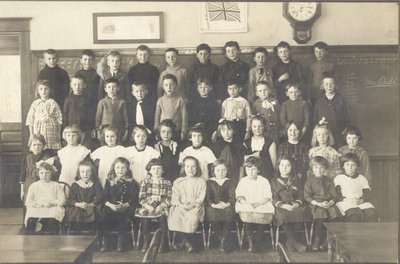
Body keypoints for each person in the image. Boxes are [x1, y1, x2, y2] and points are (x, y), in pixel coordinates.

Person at [271, 156, 312, 253]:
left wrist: (297, 203)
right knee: (284, 215)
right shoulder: (274, 182)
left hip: (294, 205)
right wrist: (284, 205)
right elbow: (273, 197)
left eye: (288, 165)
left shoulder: (296, 180)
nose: (284, 168)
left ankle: (289, 242)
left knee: (302, 213)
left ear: (292, 167)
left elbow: (301, 195)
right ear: (278, 167)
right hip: (281, 207)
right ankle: (295, 243)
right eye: (282, 165)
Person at [235, 156, 274, 253]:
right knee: (247, 214)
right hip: (247, 203)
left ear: (258, 170)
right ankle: (250, 242)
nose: (250, 172)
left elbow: (268, 196)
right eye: (248, 169)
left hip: (261, 203)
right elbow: (239, 196)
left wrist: (259, 203)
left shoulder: (264, 181)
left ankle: (259, 239)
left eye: (253, 169)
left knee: (263, 214)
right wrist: (247, 203)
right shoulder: (243, 181)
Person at [168, 156, 207, 253]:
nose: (190, 169)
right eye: (188, 166)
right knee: (176, 216)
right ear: (183, 168)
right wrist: (181, 204)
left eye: (193, 167)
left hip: (195, 206)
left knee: (192, 217)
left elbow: (201, 197)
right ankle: (187, 243)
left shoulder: (201, 181)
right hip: (181, 206)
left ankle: (183, 243)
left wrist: (194, 204)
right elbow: (175, 197)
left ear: (197, 168)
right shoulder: (178, 181)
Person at [101, 157, 139, 252]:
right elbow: (105, 197)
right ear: (113, 168)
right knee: (104, 214)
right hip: (111, 206)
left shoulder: (132, 182)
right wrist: (111, 205)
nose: (120, 170)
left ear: (127, 169)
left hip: (126, 206)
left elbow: (134, 198)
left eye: (123, 168)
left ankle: (121, 241)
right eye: (118, 167)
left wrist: (125, 205)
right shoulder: (109, 181)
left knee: (123, 216)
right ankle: (106, 241)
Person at [304, 156, 341, 251]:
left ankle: (327, 241)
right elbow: (307, 196)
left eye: (321, 167)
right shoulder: (309, 180)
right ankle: (317, 240)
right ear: (312, 168)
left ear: (325, 168)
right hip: (315, 204)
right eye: (316, 167)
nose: (318, 170)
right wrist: (318, 203)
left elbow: (334, 195)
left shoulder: (328, 180)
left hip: (328, 203)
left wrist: (331, 202)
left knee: (334, 212)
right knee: (321, 214)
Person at [136, 158, 172, 253]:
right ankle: (146, 241)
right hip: (148, 206)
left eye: (159, 168)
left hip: (161, 206)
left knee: (162, 218)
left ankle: (162, 242)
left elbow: (169, 197)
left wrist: (163, 205)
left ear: (163, 170)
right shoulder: (145, 182)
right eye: (154, 168)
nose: (156, 171)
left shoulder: (167, 183)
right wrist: (148, 206)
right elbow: (142, 197)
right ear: (149, 170)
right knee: (145, 218)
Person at [24, 161, 66, 235]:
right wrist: (38, 204)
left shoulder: (56, 185)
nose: (44, 175)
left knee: (52, 219)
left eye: (47, 173)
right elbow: (28, 202)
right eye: (42, 173)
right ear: (38, 173)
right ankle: (30, 240)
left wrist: (52, 203)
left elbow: (62, 200)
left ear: (51, 174)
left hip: (52, 207)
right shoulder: (34, 186)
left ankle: (50, 240)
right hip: (37, 207)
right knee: (31, 218)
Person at [334, 153, 377, 222]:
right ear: (343, 166)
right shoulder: (339, 178)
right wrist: (345, 199)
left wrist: (362, 200)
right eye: (347, 164)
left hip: (360, 202)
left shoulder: (362, 178)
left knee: (371, 214)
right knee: (354, 216)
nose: (350, 167)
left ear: (357, 166)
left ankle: (369, 232)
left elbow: (368, 193)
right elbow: (336, 194)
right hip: (345, 202)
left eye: (353, 165)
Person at [205, 160, 236, 252]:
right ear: (213, 170)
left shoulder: (230, 182)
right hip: (213, 206)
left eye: (223, 170)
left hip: (227, 205)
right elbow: (207, 198)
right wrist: (214, 205)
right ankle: (223, 241)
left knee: (229, 215)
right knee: (213, 217)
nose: (220, 173)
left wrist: (227, 204)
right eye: (218, 170)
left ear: (227, 171)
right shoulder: (209, 182)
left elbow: (232, 197)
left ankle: (222, 242)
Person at [313, 70, 349, 147]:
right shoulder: (319, 100)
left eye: (331, 84)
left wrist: (343, 130)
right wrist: (319, 123)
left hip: (338, 133)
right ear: (322, 86)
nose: (329, 86)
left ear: (335, 85)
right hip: (324, 135)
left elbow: (346, 117)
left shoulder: (340, 99)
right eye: (326, 84)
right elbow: (315, 118)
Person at [26, 80, 63, 154]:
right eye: (41, 89)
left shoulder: (53, 103)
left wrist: (58, 133)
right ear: (38, 91)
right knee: (39, 147)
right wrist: (31, 134)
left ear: (50, 90)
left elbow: (59, 119)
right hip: (38, 130)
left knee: (50, 151)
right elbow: (30, 120)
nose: (44, 91)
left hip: (51, 131)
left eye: (46, 89)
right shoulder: (35, 103)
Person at [64, 161, 102, 232]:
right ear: (79, 173)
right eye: (82, 172)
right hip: (78, 207)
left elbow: (99, 197)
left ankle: (91, 234)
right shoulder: (75, 185)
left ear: (92, 172)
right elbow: (70, 199)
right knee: (74, 212)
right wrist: (78, 204)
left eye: (88, 171)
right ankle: (77, 232)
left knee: (94, 211)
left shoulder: (95, 184)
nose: (85, 174)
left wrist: (90, 204)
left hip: (91, 206)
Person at [75, 49, 101, 144]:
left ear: (93, 61)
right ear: (81, 60)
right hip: (80, 103)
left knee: (89, 135)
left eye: (90, 60)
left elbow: (100, 90)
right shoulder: (78, 74)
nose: (87, 62)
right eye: (85, 59)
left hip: (92, 104)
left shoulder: (97, 75)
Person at [20, 134, 54, 205]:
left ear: (43, 146)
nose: (37, 147)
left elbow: (51, 174)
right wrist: (22, 191)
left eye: (39, 145)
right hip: (29, 186)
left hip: (43, 187)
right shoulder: (27, 158)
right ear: (30, 146)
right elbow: (22, 176)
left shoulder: (47, 158)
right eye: (34, 145)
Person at [154, 74, 188, 142]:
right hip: (163, 132)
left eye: (171, 85)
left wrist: (183, 131)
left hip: (176, 131)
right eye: (166, 85)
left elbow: (184, 117)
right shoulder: (160, 100)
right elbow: (157, 117)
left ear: (176, 86)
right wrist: (156, 131)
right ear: (163, 86)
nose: (169, 87)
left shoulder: (180, 100)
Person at [211, 119, 244, 187]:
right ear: (220, 132)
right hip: (220, 177)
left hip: (235, 176)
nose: (226, 133)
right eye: (223, 130)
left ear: (233, 130)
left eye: (229, 130)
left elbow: (241, 165)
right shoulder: (216, 146)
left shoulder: (238, 146)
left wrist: (240, 182)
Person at [95, 77, 129, 144]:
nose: (111, 89)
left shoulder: (122, 102)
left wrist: (126, 130)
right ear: (105, 89)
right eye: (109, 87)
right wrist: (98, 131)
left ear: (118, 88)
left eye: (114, 87)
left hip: (119, 130)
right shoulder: (102, 102)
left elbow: (126, 118)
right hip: (105, 131)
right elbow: (98, 118)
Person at [243, 116, 276, 181]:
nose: (257, 129)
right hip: (250, 175)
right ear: (251, 127)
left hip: (266, 175)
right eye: (254, 126)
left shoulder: (270, 143)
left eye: (260, 126)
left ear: (264, 127)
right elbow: (243, 161)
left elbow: (273, 163)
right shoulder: (246, 143)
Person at [188, 77, 220, 144]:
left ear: (210, 88)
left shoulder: (214, 103)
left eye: (206, 87)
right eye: (200, 87)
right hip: (196, 131)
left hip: (209, 131)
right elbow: (190, 118)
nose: (203, 90)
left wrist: (215, 130)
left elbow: (216, 118)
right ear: (197, 89)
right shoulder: (193, 103)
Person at [154, 119, 181, 183]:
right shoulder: (155, 147)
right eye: (163, 131)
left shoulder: (177, 146)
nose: (166, 134)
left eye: (169, 132)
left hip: (175, 177)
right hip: (160, 179)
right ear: (159, 132)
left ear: (172, 133)